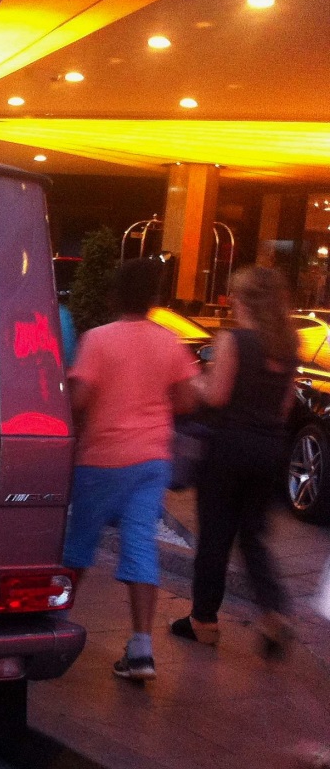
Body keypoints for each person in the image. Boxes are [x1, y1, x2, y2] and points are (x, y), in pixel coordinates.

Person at [64, 257, 198, 681]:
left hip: (101, 459)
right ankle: (142, 647)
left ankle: (51, 624)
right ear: (154, 299)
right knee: (140, 544)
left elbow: (79, 400)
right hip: (151, 461)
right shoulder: (169, 341)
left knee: (78, 546)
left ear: (114, 294)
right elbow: (188, 400)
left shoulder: (98, 339)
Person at [170, 266, 298, 654]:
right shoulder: (287, 346)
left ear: (245, 301)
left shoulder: (235, 340)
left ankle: (204, 621)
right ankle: (274, 612)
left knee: (216, 536)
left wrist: (196, 381)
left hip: (228, 449)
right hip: (269, 450)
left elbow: (217, 396)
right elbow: (285, 406)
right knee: (253, 537)